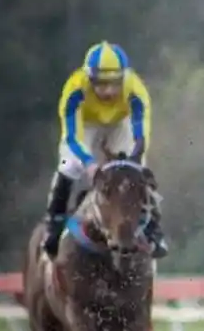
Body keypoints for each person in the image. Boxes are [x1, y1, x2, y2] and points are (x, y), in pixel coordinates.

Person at [42, 41, 168, 259]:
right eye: (100, 84)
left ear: (123, 79)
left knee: (135, 171)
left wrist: (134, 161)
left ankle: (153, 229)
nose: (108, 91)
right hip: (86, 125)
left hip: (120, 122)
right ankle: (54, 221)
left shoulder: (136, 90)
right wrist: (89, 163)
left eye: (114, 84)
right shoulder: (74, 90)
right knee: (69, 165)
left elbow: (140, 137)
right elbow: (72, 138)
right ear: (89, 79)